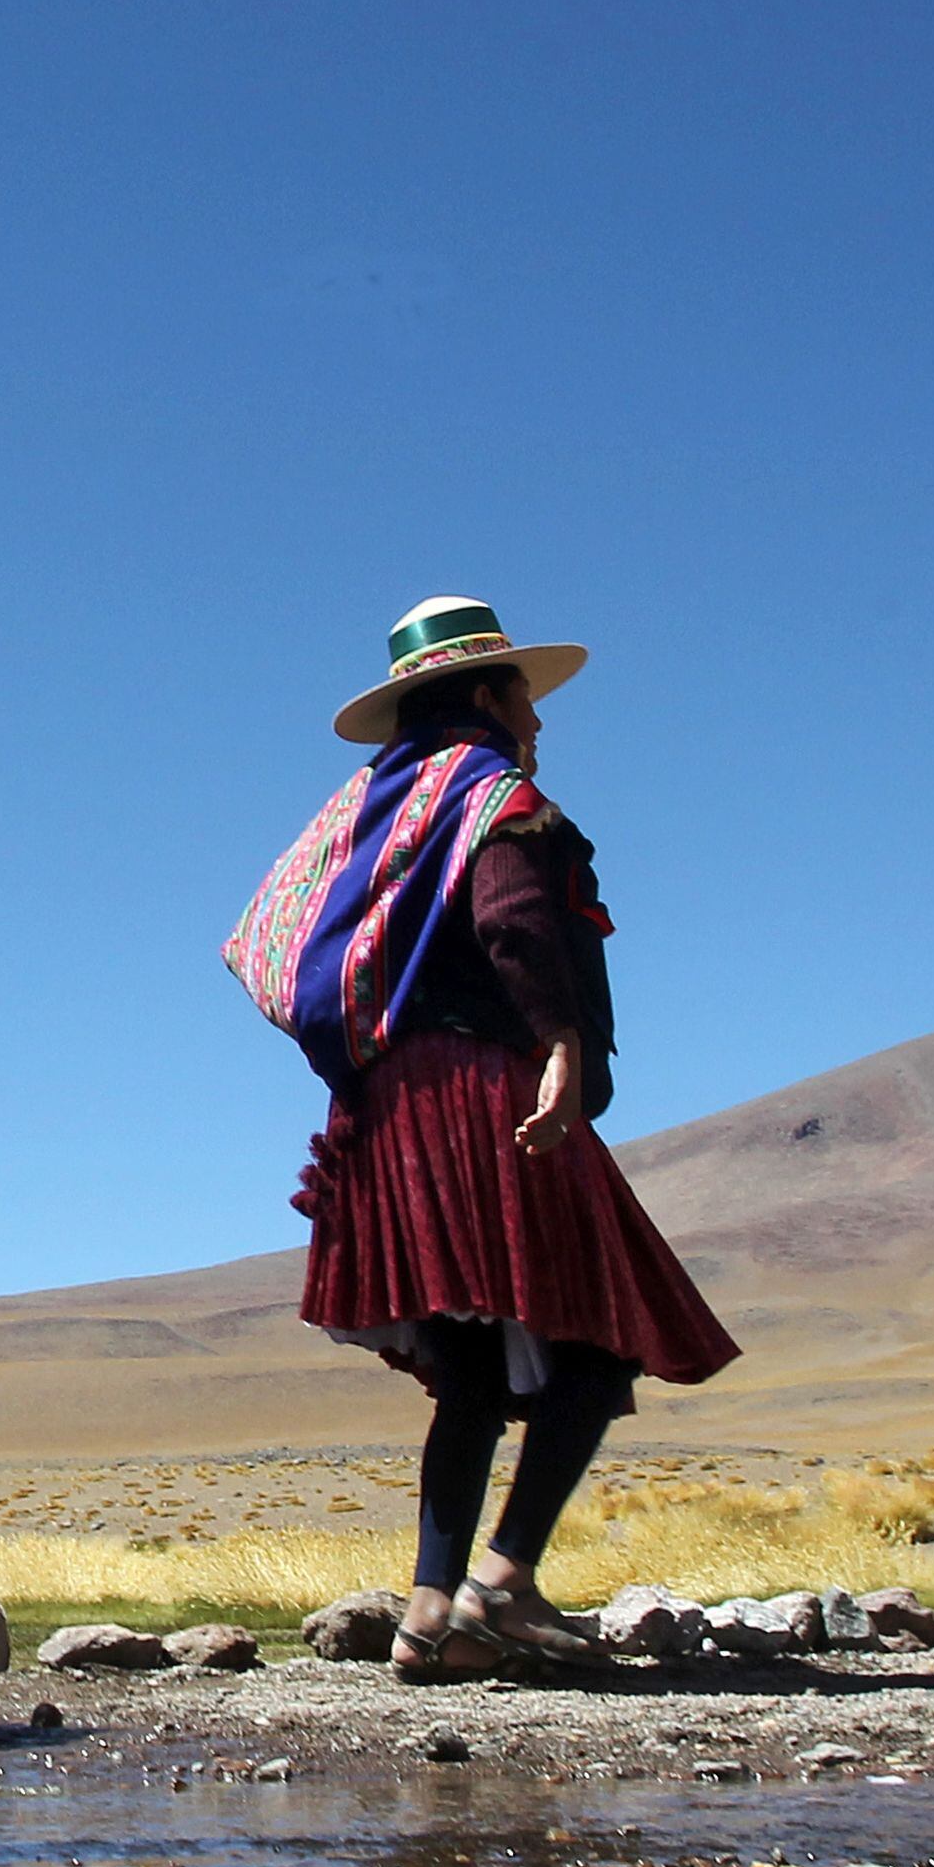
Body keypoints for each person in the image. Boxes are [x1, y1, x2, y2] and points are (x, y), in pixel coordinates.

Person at [227, 596, 738, 1681]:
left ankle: (426, 1612)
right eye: (522, 696)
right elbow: (510, 919)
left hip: (383, 1105)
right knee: (599, 1338)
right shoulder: (491, 796)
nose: (536, 720)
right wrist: (559, 1041)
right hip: (482, 1088)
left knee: (468, 1367)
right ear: (482, 697)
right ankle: (499, 1584)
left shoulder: (370, 816)